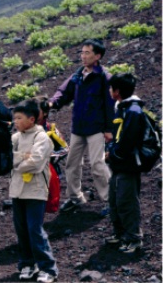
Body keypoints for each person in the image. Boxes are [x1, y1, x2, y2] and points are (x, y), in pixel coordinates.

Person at [49, 39, 114, 215]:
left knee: (97, 164)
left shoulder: (104, 78)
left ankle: (111, 199)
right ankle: (75, 198)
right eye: (82, 53)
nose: (83, 56)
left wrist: (109, 129)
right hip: (78, 127)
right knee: (72, 164)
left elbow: (110, 105)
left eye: (87, 53)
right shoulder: (78, 75)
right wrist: (52, 103)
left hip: (97, 128)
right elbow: (63, 92)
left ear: (98, 56)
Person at [10, 99, 58, 283]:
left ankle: (48, 268)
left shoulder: (42, 137)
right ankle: (27, 264)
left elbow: (36, 162)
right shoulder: (16, 137)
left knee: (34, 229)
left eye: (19, 118)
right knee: (21, 229)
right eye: (14, 118)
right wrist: (23, 157)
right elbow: (7, 158)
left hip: (35, 190)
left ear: (31, 119)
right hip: (17, 191)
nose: (15, 122)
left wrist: (16, 163)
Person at [105, 73, 144, 253]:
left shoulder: (133, 111)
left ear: (117, 91)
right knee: (115, 198)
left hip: (127, 164)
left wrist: (113, 153)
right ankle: (120, 234)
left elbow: (128, 140)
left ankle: (134, 238)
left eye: (111, 88)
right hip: (119, 164)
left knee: (126, 201)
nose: (109, 91)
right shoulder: (123, 107)